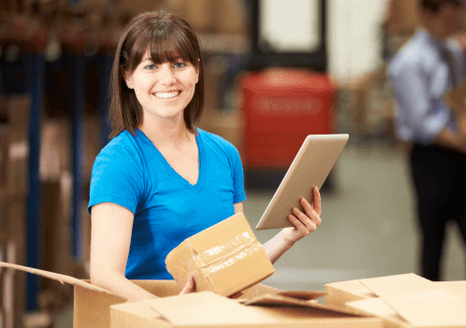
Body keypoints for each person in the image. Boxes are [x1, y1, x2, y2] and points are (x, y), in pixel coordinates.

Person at [88, 11, 323, 301]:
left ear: (197, 71)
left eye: (178, 64)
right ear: (128, 76)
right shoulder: (120, 162)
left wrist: (288, 236)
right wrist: (172, 312)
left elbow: (239, 263)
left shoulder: (225, 155)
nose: (168, 79)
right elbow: (104, 274)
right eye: (150, 66)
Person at [388, 0, 466, 281]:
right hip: (430, 158)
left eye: (455, 20)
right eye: (447, 20)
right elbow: (423, 122)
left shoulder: (454, 52)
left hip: (462, 154)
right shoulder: (409, 61)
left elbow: (457, 102)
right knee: (434, 241)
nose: (452, 26)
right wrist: (464, 142)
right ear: (427, 15)